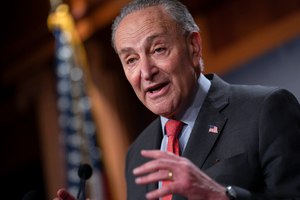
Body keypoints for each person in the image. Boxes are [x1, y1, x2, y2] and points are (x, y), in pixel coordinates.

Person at [54, 0, 300, 199]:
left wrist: (219, 197)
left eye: (158, 49)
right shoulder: (138, 154)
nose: (146, 71)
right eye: (131, 60)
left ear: (194, 47)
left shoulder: (265, 109)